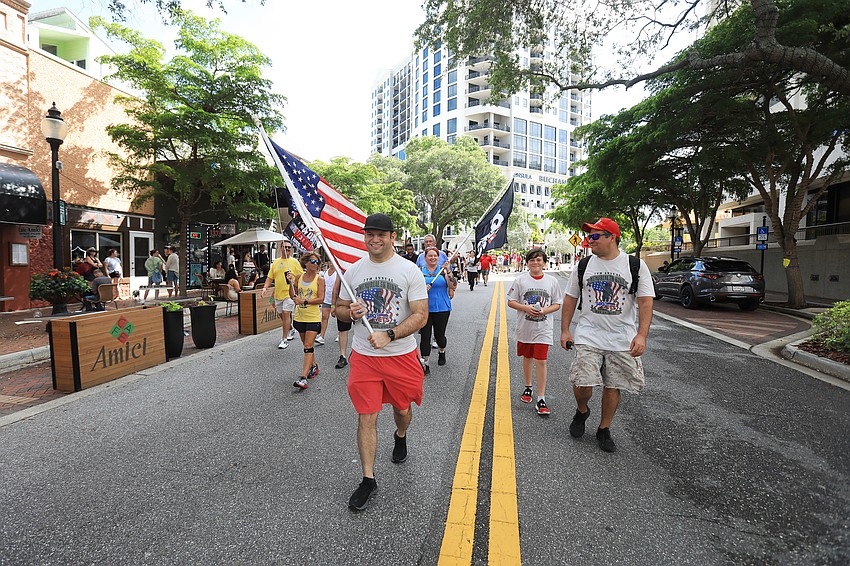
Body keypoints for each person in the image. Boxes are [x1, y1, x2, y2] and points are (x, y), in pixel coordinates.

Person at [336, 213, 428, 512]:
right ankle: (368, 479)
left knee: (402, 410)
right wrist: (349, 312)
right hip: (364, 357)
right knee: (367, 415)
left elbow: (420, 315)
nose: (374, 239)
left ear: (392, 236)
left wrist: (390, 334)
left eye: (381, 234)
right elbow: (337, 308)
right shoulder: (353, 271)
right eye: (370, 234)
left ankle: (400, 435)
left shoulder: (409, 270)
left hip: (401, 356)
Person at [560, 217, 654, 453]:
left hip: (621, 337)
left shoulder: (635, 266)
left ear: (612, 237)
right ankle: (582, 410)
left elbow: (644, 302)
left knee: (613, 385)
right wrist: (564, 330)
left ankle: (604, 429)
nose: (589, 240)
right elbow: (570, 298)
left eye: (594, 236)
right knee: (583, 383)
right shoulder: (583, 265)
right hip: (588, 334)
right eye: (588, 236)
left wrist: (641, 335)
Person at [507, 248, 563, 416]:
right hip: (525, 328)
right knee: (527, 358)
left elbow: (557, 303)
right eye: (532, 260)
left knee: (541, 361)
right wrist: (526, 308)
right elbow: (511, 301)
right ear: (527, 263)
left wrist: (543, 311)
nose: (535, 263)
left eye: (538, 260)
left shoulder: (552, 281)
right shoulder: (520, 280)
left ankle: (541, 398)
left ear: (544, 262)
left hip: (543, 329)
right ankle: (528, 387)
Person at [289, 251, 326, 389]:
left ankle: (303, 378)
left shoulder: (320, 279)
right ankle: (314, 366)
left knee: (307, 346)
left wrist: (304, 300)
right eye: (312, 261)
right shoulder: (299, 277)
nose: (315, 264)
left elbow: (321, 299)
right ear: (305, 263)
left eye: (317, 262)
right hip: (299, 317)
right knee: (307, 345)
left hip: (313, 317)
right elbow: (293, 295)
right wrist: (290, 283)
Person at [419, 247, 455, 374]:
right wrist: (422, 288)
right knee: (425, 336)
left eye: (435, 256)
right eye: (430, 256)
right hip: (424, 309)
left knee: (439, 337)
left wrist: (449, 270)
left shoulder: (443, 271)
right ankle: (425, 363)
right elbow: (413, 289)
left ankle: (442, 351)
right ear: (425, 258)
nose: (433, 258)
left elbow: (453, 285)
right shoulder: (419, 271)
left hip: (442, 308)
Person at [261, 239, 303, 349]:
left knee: (285, 314)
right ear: (281, 248)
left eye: (289, 247)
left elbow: (301, 277)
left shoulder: (294, 262)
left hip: (289, 294)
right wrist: (265, 288)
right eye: (285, 247)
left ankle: (284, 339)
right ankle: (291, 329)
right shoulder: (275, 262)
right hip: (278, 295)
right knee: (282, 316)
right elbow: (270, 277)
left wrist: (294, 283)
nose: (287, 249)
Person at [331, 276, 351, 369]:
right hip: (344, 303)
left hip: (362, 302)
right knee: (343, 330)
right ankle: (342, 356)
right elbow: (335, 288)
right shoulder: (342, 268)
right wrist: (333, 305)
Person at [317, 263, 338, 346]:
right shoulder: (325, 272)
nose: (331, 263)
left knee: (338, 317)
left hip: (336, 298)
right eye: (329, 262)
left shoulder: (338, 273)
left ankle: (339, 334)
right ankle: (321, 336)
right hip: (326, 298)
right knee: (324, 316)